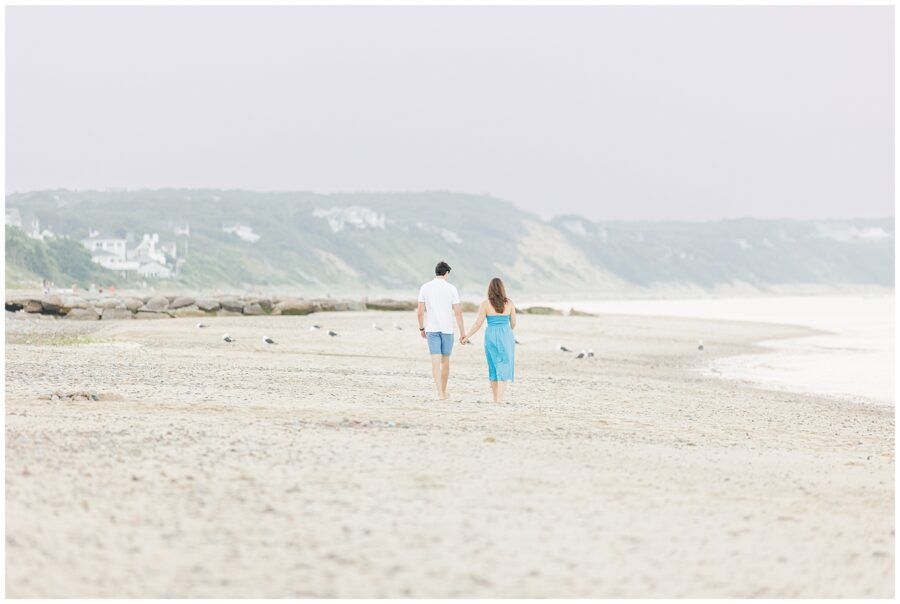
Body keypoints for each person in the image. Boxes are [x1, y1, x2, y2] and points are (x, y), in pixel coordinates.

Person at [462, 277, 517, 403]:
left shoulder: (485, 304)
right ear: (502, 289)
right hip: (506, 334)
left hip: (490, 335)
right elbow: (513, 323)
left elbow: (478, 323)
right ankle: (500, 398)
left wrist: (467, 336)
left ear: (490, 289)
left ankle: (494, 398)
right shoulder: (509, 303)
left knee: (493, 366)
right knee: (504, 365)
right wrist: (506, 331)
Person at [417, 261, 465, 400]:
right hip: (447, 330)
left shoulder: (425, 287)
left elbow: (420, 312)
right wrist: (462, 333)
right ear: (446, 273)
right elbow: (458, 313)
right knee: (445, 362)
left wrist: (421, 328)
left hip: (431, 329)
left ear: (436, 272)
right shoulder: (451, 289)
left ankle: (439, 393)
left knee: (435, 361)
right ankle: (443, 391)